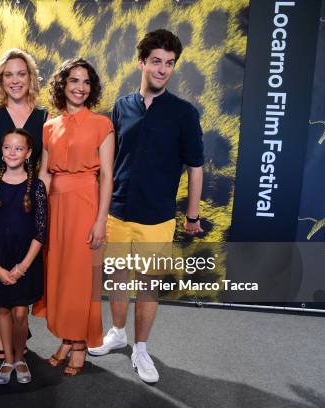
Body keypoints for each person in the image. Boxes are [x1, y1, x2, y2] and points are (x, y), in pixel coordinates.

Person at [87, 29, 204, 384]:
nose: (163, 69)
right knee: (118, 279)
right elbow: (108, 165)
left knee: (148, 286)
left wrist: (193, 215)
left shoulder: (184, 113)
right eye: (156, 61)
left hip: (158, 218)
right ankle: (118, 333)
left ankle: (140, 348)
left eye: (169, 64)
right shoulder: (121, 107)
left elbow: (196, 168)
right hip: (118, 213)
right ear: (141, 62)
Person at [33, 58, 115, 376]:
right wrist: (37, 214)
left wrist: (100, 220)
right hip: (55, 208)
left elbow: (107, 175)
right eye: (73, 81)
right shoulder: (49, 126)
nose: (80, 87)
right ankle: (67, 337)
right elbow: (43, 174)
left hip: (85, 204)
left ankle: (80, 343)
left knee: (81, 277)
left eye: (85, 82)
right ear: (62, 86)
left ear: (91, 89)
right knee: (59, 275)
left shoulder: (101, 124)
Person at [0, 49, 48, 359]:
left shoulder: (43, 116)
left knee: (22, 261)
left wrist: (39, 195)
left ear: (30, 78)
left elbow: (44, 165)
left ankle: (20, 330)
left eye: (21, 74)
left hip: (27, 199)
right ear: (0, 80)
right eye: (9, 74)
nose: (15, 80)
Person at [0, 128, 46, 384]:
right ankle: (7, 359)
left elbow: (40, 232)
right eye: (8, 147)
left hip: (24, 261)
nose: (13, 152)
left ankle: (20, 357)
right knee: (3, 311)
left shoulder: (36, 188)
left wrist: (21, 268)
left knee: (20, 312)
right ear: (2, 152)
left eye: (19, 148)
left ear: (28, 153)